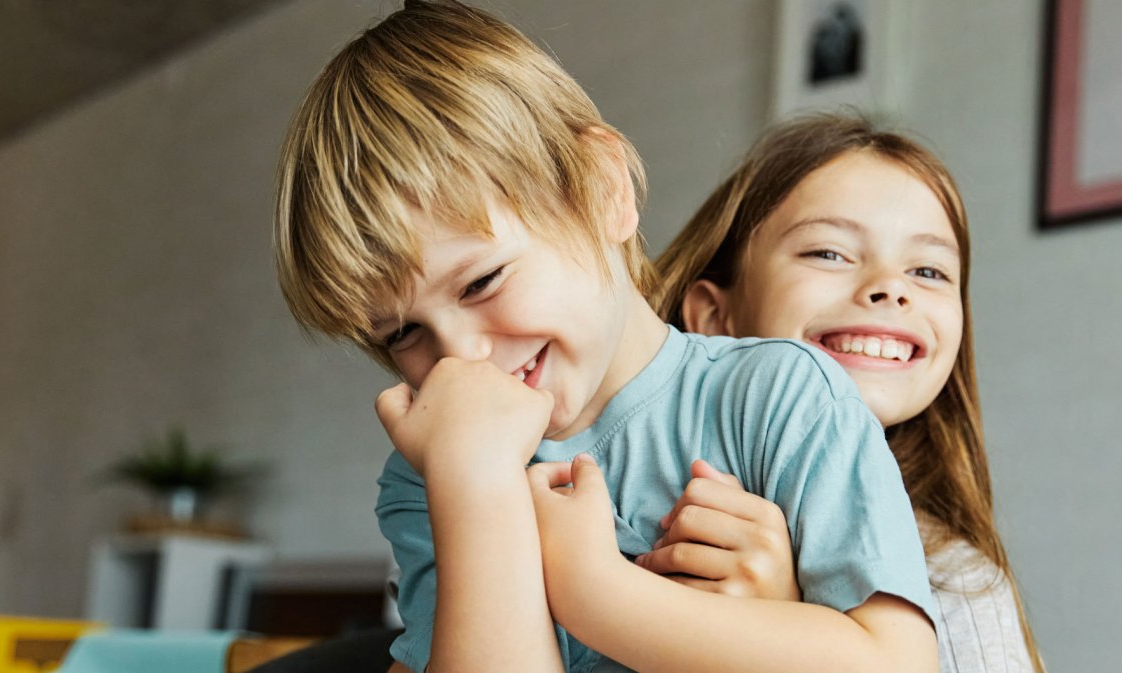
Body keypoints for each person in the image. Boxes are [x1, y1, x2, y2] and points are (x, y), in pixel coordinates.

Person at [273, 3, 937, 672]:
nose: (461, 359)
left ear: (601, 189)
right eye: (404, 332)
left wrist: (594, 591)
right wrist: (475, 485)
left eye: (480, 282)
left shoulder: (777, 397)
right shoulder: (430, 471)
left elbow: (895, 661)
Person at [649, 113, 1046, 673]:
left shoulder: (958, 585)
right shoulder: (601, 501)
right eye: (828, 253)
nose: (891, 287)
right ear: (715, 315)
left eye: (929, 271)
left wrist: (785, 630)